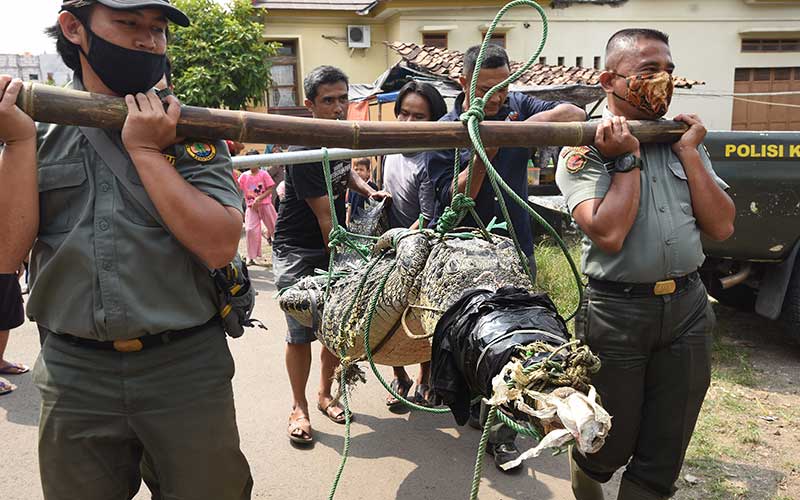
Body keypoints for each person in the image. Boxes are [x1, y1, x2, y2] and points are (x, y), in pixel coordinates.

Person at [0, 1, 253, 498]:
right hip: (74, 371)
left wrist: (145, 153)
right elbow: (7, 256)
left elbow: (220, 245)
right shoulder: (34, 128)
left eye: (157, 30)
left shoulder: (189, 128)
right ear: (74, 28)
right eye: (129, 24)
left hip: (184, 366)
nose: (148, 41)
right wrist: (18, 147)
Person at [555, 29, 735, 500]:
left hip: (688, 308)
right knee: (607, 441)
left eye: (669, 70)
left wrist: (691, 154)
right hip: (617, 314)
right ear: (610, 80)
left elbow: (721, 227)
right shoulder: (583, 147)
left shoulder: (680, 139)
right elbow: (609, 234)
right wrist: (626, 160)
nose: (663, 81)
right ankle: (588, 476)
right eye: (648, 71)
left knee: (665, 448)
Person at [426, 43, 587, 473]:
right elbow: (455, 199)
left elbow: (575, 115)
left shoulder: (518, 104)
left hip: (516, 250)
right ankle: (468, 402)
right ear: (463, 83)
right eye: (486, 90)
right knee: (469, 341)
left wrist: (515, 129)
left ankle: (501, 435)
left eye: (504, 87)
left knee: (515, 349)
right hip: (463, 257)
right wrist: (487, 152)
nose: (497, 98)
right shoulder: (444, 130)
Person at [272, 65, 390, 445]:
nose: (339, 108)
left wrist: (366, 190)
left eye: (344, 99)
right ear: (310, 105)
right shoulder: (304, 148)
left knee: (333, 329)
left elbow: (344, 172)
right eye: (329, 101)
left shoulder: (338, 136)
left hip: (329, 243)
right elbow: (327, 220)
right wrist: (352, 265)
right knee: (299, 334)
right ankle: (298, 407)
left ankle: (325, 395)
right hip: (299, 249)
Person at [381, 80, 446, 410]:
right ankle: (399, 375)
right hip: (389, 246)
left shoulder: (431, 159)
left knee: (420, 316)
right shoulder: (390, 150)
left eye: (418, 117)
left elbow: (428, 214)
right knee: (384, 316)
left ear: (435, 120)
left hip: (419, 246)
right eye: (403, 114)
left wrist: (401, 241)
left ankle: (425, 377)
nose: (407, 123)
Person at [238, 153, 278, 264]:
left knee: (274, 227)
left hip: (265, 204)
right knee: (250, 229)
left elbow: (270, 188)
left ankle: (281, 250)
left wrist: (259, 198)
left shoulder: (263, 174)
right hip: (251, 207)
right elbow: (237, 187)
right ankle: (252, 256)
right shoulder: (244, 176)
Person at [345, 157, 377, 226]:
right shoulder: (351, 188)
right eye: (356, 169)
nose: (358, 172)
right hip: (353, 223)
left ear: (368, 172)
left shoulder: (372, 188)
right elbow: (349, 206)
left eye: (361, 170)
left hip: (366, 223)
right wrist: (347, 221)